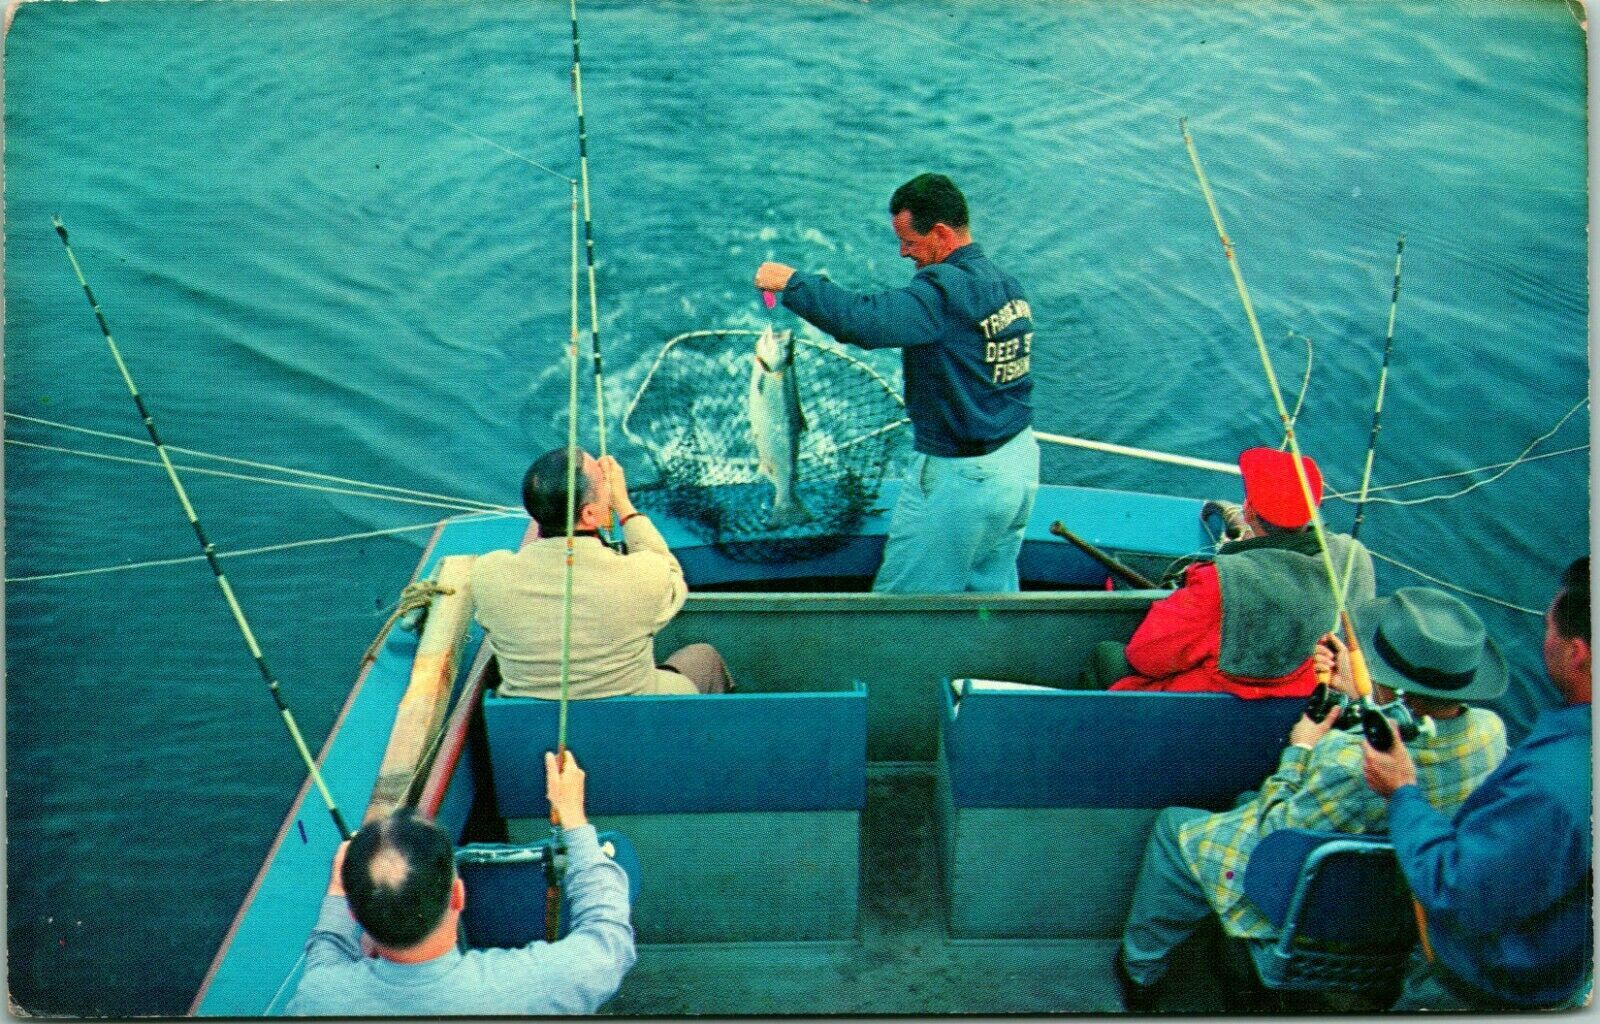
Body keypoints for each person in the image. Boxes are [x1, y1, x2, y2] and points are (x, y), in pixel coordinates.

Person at [1113, 588, 1508, 1011]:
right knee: (1246, 798)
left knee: (1174, 829)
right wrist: (1362, 697)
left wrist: (1301, 748)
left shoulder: (1343, 759)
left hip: (1310, 910)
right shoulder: (1490, 732)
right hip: (1398, 914)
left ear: (1396, 693)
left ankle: (1140, 971)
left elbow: (1272, 834)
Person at [752, 172, 1038, 593]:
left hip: (963, 479)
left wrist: (794, 284)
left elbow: (865, 322)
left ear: (940, 233)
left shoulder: (944, 291)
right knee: (991, 592)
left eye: (909, 241)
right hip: (1018, 466)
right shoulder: (1004, 284)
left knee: (902, 608)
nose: (904, 253)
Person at [1363, 558, 1592, 1011]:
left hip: (1481, 987)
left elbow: (1456, 889)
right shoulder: (1492, 730)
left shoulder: (1554, 786)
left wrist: (1403, 792)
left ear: (1576, 652)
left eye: (1549, 627)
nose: (1544, 638)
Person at [285, 750, 636, 1015]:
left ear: (355, 915)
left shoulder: (318, 999)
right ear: (457, 894)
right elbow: (609, 940)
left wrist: (337, 892)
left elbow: (325, 956)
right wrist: (573, 816)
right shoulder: (532, 986)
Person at [1081, 446, 1375, 698]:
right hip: (1303, 699)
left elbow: (1144, 655)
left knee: (1107, 656)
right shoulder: (1353, 560)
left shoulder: (1221, 581)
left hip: (1218, 704)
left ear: (1248, 512)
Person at [471, 447, 734, 698]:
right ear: (588, 514)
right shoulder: (644, 575)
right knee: (704, 658)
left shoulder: (487, 574)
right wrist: (624, 505)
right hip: (635, 718)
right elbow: (670, 573)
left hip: (538, 729)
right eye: (603, 480)